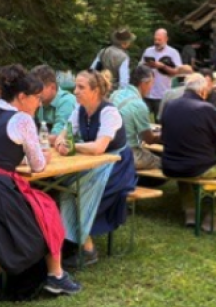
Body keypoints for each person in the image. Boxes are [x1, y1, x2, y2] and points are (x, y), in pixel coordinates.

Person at [0, 64, 81, 298]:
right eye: (36, 98)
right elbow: (38, 165)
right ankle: (56, 275)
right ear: (22, 97)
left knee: (33, 208)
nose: (38, 104)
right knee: (46, 207)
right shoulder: (22, 120)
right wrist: (45, 155)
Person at [55, 69, 136, 266]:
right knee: (62, 185)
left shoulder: (109, 112)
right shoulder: (80, 109)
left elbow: (99, 147)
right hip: (95, 162)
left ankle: (87, 249)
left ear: (96, 90)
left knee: (79, 189)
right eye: (76, 86)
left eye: (81, 87)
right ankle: (71, 241)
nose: (75, 91)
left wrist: (72, 146)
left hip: (116, 165)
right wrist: (60, 142)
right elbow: (63, 135)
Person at [161, 73, 216, 233]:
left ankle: (190, 212)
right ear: (202, 91)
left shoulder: (170, 105)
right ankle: (215, 219)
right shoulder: (206, 109)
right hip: (198, 167)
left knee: (186, 165)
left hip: (170, 165)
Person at [111, 65, 162, 170]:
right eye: (152, 83)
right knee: (163, 162)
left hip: (111, 149)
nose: (152, 87)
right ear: (144, 83)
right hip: (127, 153)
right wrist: (166, 135)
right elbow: (149, 139)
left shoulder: (115, 94)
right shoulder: (139, 105)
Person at [140, 29, 187, 119]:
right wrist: (148, 65)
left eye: (159, 40)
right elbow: (140, 68)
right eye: (155, 39)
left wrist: (163, 66)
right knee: (142, 119)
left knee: (161, 121)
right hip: (147, 93)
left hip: (163, 94)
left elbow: (178, 72)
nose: (156, 42)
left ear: (166, 39)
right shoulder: (148, 51)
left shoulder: (173, 52)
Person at [32, 64, 77, 136]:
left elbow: (58, 136)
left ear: (52, 87)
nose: (35, 92)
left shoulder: (67, 101)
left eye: (39, 88)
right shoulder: (39, 100)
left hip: (74, 143)